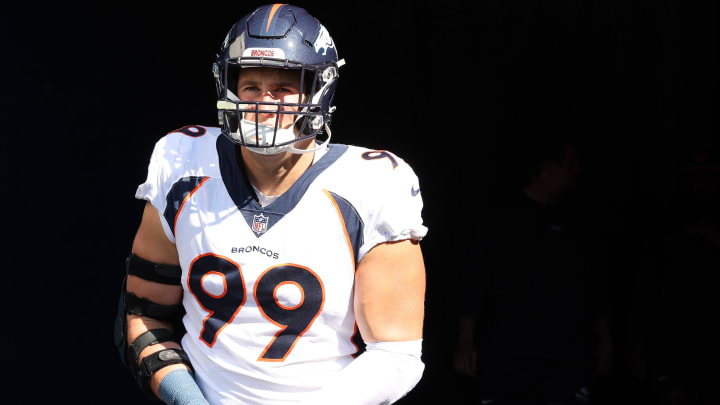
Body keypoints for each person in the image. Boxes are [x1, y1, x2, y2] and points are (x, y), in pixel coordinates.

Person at [114, 4, 428, 404]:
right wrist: (187, 399)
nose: (265, 102)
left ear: (319, 90)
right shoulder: (182, 162)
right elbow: (144, 315)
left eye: (283, 87)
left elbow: (396, 355)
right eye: (250, 87)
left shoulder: (374, 183)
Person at [453, 137, 612, 405]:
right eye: (571, 164)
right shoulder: (501, 219)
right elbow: (474, 282)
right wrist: (465, 340)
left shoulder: (578, 223)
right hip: (509, 358)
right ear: (549, 167)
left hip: (566, 363)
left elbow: (595, 286)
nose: (577, 171)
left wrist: (605, 341)